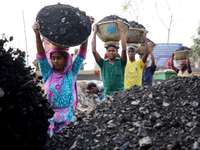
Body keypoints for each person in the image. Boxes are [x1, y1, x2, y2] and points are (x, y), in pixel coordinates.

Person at [32, 16, 94, 137]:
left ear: (66, 59)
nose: (55, 61)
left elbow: (81, 54)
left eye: (59, 58)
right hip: (50, 116)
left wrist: (87, 31)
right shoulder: (47, 72)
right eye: (53, 58)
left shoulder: (72, 73)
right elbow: (41, 55)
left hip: (67, 116)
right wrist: (36, 34)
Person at [92, 20, 127, 96]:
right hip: (108, 96)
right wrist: (94, 32)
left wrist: (121, 30)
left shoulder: (121, 62)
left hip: (121, 95)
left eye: (113, 51)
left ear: (117, 51)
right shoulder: (103, 63)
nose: (111, 52)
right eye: (109, 51)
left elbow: (124, 49)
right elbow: (94, 51)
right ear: (106, 52)